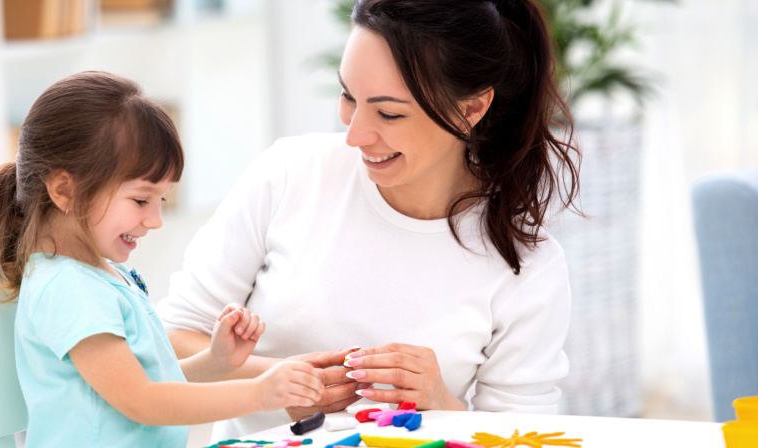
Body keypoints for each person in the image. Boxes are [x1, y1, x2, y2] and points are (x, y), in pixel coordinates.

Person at [155, 0, 582, 439]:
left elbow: (520, 434)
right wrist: (280, 381)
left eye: (389, 113)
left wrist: (443, 405)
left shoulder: (527, 266)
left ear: (471, 110)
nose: (354, 134)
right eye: (347, 96)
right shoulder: (290, 174)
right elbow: (165, 343)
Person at [0, 71, 324, 448]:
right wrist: (257, 394)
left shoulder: (96, 275)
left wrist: (217, 361)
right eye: (141, 200)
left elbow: (144, 383)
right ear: (65, 190)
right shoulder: (70, 288)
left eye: (161, 200)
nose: (155, 220)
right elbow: (143, 401)